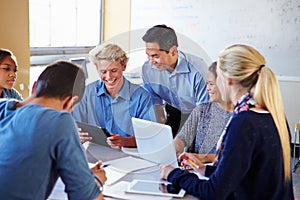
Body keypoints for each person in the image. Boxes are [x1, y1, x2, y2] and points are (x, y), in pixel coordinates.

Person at [160, 44, 294, 199]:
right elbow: (242, 174)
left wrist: (173, 174)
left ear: (228, 80)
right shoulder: (272, 114)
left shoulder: (244, 123)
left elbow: (214, 193)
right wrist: (203, 169)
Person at [0, 60, 106, 199]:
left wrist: (83, 177)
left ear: (34, 87)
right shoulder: (59, 121)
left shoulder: (3, 106)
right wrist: (95, 182)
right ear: (70, 102)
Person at [72, 43, 156, 149]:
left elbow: (150, 137)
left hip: (129, 155)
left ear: (123, 67)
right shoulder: (87, 93)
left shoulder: (142, 97)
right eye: (103, 72)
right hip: (94, 153)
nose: (109, 77)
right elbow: (72, 127)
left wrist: (125, 141)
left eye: (114, 71)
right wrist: (76, 135)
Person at [141, 24, 209, 137]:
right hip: (173, 110)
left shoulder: (198, 70)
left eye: (155, 56)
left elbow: (204, 112)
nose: (151, 61)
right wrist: (158, 129)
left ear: (173, 51)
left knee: (190, 149)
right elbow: (154, 100)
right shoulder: (148, 69)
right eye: (148, 56)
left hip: (197, 113)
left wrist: (183, 140)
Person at [174, 61, 233, 163]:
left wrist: (203, 158)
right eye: (207, 84)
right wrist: (173, 151)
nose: (207, 88)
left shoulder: (242, 116)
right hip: (195, 169)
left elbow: (235, 157)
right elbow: (182, 138)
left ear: (225, 84)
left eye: (211, 84)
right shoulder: (201, 110)